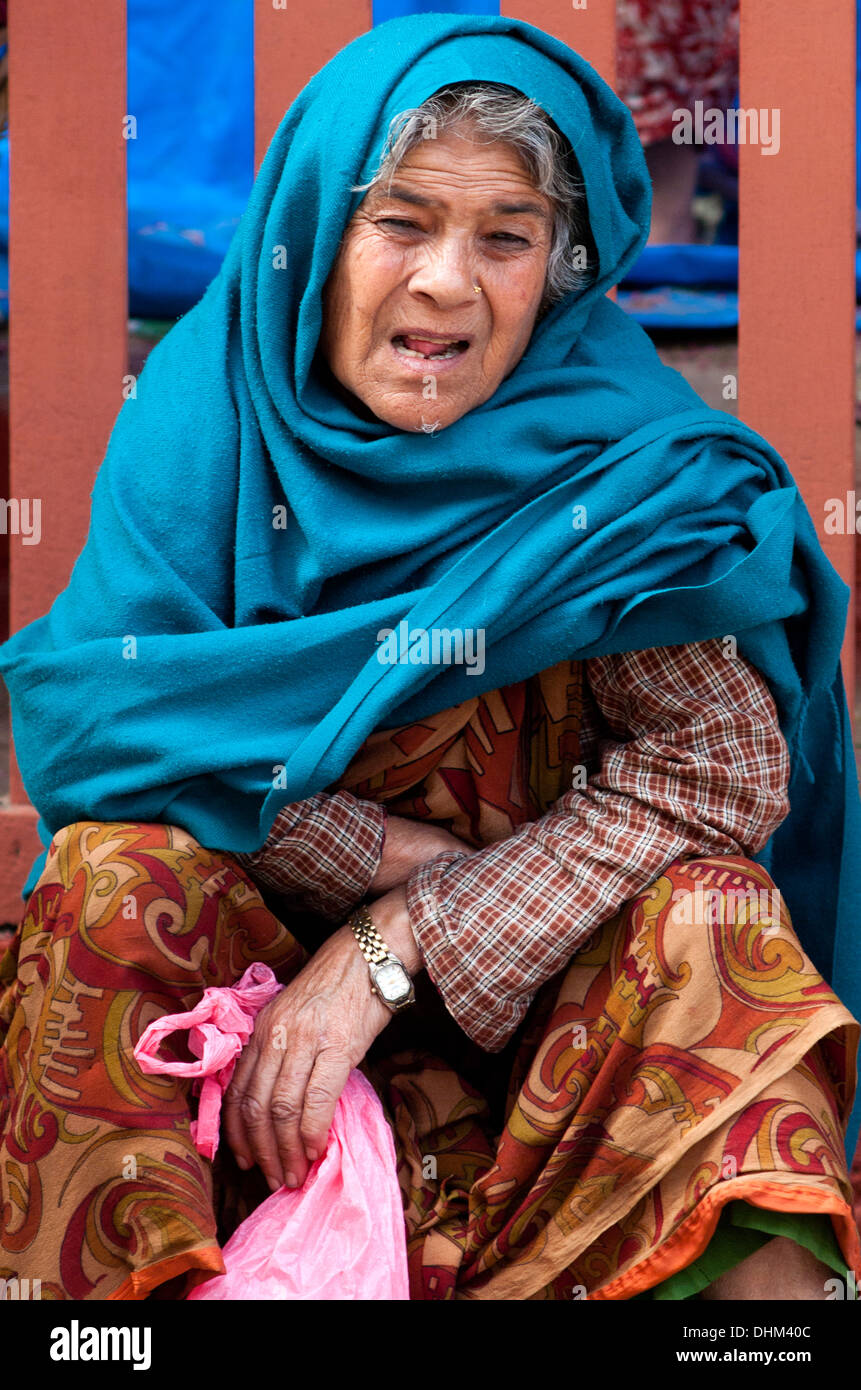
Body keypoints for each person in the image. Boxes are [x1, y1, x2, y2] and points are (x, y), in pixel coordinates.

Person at [0, 13, 858, 1301]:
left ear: (555, 272)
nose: (450, 284)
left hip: (536, 1071)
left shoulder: (610, 461)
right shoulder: (205, 428)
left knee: (713, 926)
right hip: (239, 1078)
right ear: (315, 233)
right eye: (401, 222)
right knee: (107, 884)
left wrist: (403, 939)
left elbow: (727, 762)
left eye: (505, 238)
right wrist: (372, 855)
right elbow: (101, 734)